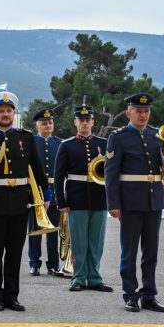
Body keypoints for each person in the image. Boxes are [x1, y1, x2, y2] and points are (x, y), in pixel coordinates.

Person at [0, 91, 52, 312]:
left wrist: (47, 194)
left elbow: (37, 167)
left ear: (14, 113)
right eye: (1, 111)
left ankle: (12, 296)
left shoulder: (26, 138)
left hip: (19, 202)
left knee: (15, 252)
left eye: (8, 111)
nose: (5, 114)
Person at [105, 93, 164, 313]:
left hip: (153, 201)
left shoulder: (158, 136)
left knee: (151, 253)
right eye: (139, 111)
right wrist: (113, 203)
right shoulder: (118, 137)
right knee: (129, 252)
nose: (143, 115)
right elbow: (111, 173)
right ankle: (130, 295)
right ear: (129, 113)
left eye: (147, 111)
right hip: (130, 202)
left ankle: (149, 295)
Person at [54, 105, 112, 293]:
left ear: (93, 122)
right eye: (81, 120)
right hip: (76, 199)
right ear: (75, 122)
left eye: (88, 120)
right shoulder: (67, 145)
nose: (85, 123)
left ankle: (94, 277)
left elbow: (111, 173)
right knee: (79, 242)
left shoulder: (103, 144)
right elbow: (59, 175)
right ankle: (78, 277)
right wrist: (61, 201)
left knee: (96, 242)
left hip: (99, 198)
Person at [29, 109, 62, 276]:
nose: (47, 126)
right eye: (43, 123)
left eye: (49, 123)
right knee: (35, 229)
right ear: (37, 126)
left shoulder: (60, 143)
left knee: (53, 231)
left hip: (55, 191)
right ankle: (34, 262)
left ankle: (53, 264)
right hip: (36, 191)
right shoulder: (31, 142)